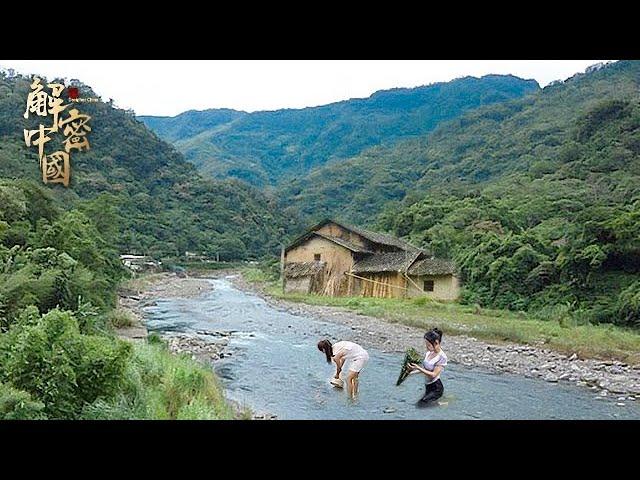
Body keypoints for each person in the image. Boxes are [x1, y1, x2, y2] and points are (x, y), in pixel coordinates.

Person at [407, 327, 447, 406]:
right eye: (426, 344)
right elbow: (426, 369)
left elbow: (433, 374)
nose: (426, 347)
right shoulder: (429, 353)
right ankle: (440, 403)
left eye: (428, 345)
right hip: (428, 386)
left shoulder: (442, 357)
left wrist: (418, 367)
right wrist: (411, 372)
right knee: (424, 404)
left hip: (436, 388)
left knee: (421, 404)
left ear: (436, 342)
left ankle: (444, 404)